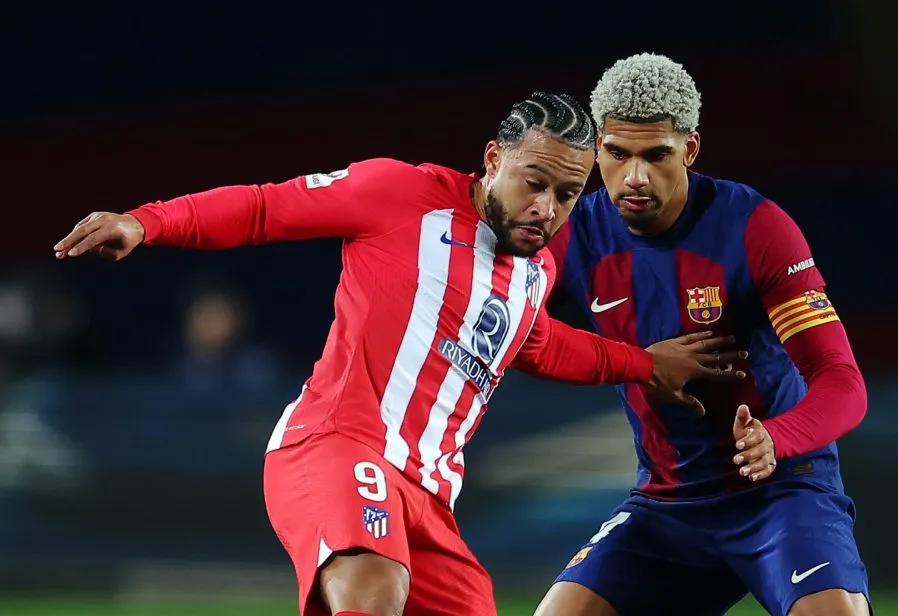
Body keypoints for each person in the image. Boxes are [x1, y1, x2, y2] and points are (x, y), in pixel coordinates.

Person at [53, 91, 747, 616]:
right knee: (371, 589)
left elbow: (533, 343)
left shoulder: (534, 272)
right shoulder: (401, 194)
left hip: (431, 498)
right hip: (337, 446)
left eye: (567, 194)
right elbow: (268, 207)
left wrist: (643, 363)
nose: (547, 206)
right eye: (533, 181)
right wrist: (147, 222)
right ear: (492, 159)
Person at [534, 55, 872, 616]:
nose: (635, 177)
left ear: (689, 150)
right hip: (666, 505)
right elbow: (510, 334)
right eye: (617, 154)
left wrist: (776, 437)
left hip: (782, 493)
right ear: (596, 150)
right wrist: (636, 363)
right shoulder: (576, 231)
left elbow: (842, 381)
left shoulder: (755, 228)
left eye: (656, 155)